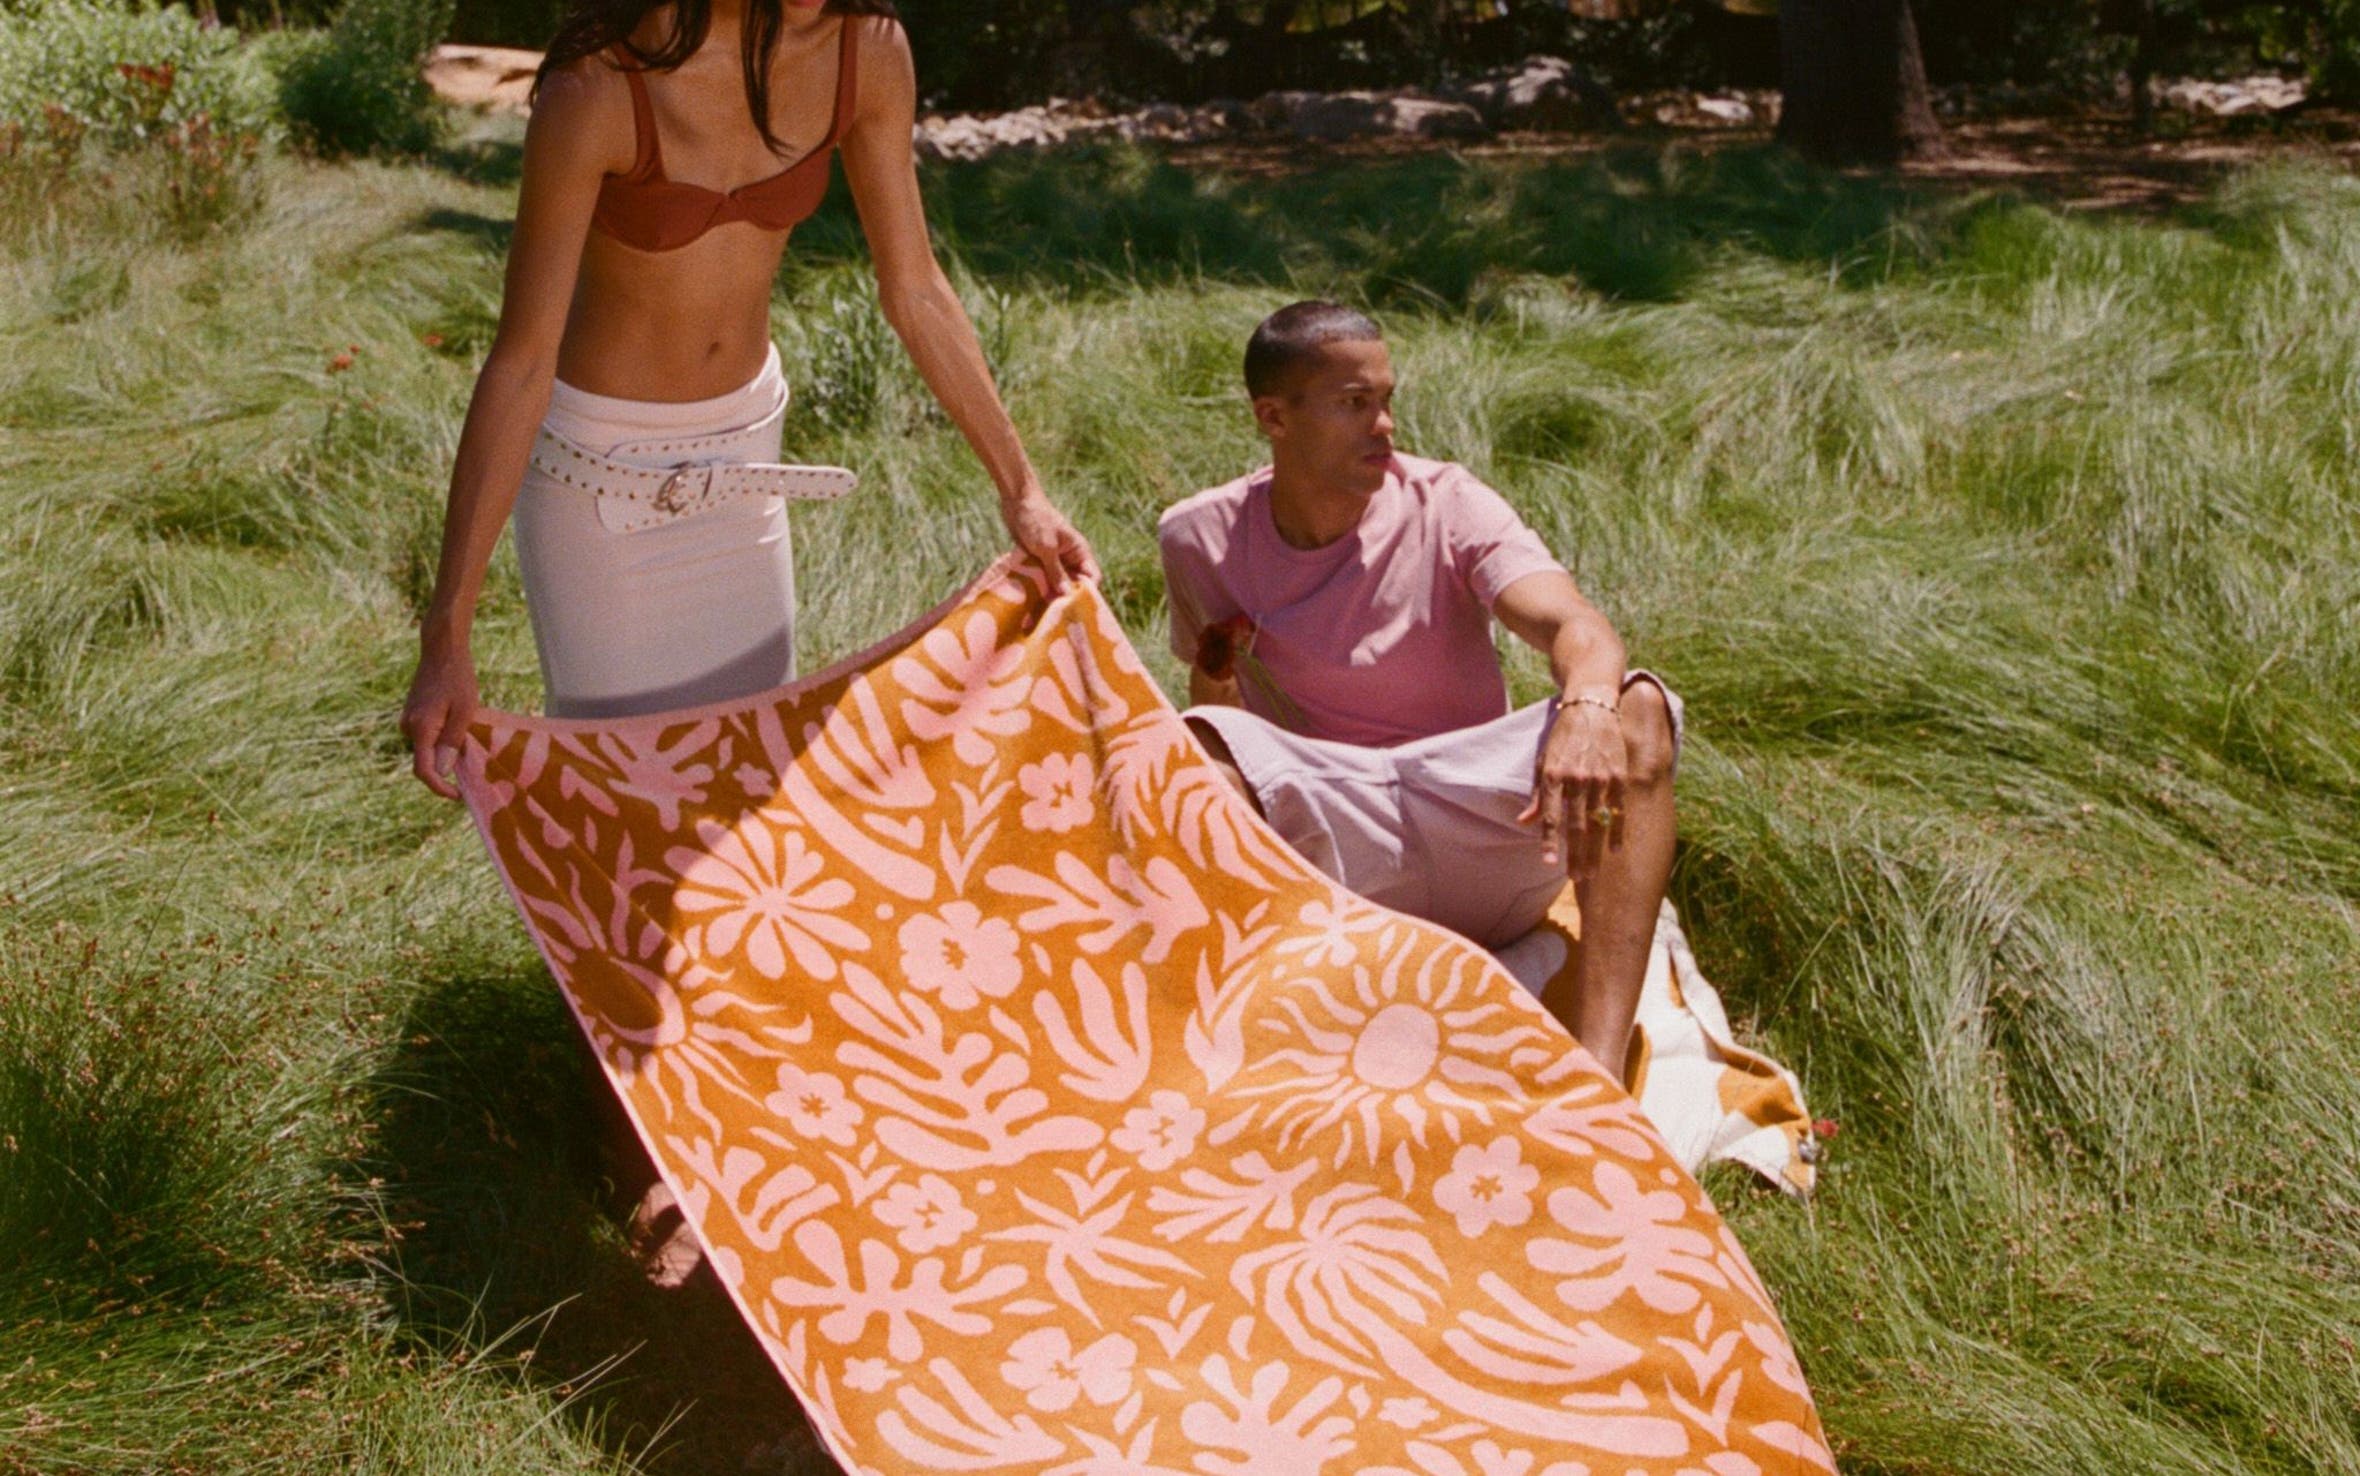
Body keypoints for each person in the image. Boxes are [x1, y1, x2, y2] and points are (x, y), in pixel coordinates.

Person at [398, 0, 1097, 1281]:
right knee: (635, 827)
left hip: (742, 450)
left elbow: (913, 286)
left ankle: (719, 1110)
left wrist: (1022, 486)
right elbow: (520, 358)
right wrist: (447, 628)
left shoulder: (865, 51)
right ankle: (646, 1157)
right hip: (599, 479)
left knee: (742, 810)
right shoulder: (597, 86)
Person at [1160, 300, 1679, 1084]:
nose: (1386, 426)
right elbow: (1218, 715)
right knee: (1188, 742)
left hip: (1484, 819)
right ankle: (1229, 1053)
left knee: (1637, 706)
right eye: (1354, 404)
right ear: (1274, 416)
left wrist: (1587, 707)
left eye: (1388, 399)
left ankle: (1597, 1076)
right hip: (1343, 835)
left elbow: (1578, 626)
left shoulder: (1448, 501)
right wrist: (1216, 674)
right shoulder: (1198, 537)